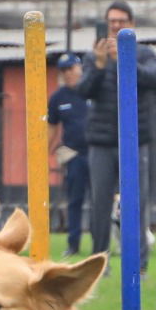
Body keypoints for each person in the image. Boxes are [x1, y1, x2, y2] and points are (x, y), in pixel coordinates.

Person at [79, 1, 156, 272]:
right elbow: (83, 91)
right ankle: (99, 266)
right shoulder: (93, 57)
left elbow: (154, 79)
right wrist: (101, 65)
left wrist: (123, 60)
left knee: (136, 205)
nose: (116, 26)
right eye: (111, 21)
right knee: (99, 206)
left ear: (132, 24)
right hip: (101, 142)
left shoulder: (144, 53)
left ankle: (138, 266)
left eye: (121, 21)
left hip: (135, 141)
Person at [46, 54, 90, 257]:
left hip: (99, 153)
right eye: (65, 70)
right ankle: (73, 245)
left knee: (104, 201)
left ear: (80, 68)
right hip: (74, 155)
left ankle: (104, 244)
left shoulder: (92, 89)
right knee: (74, 201)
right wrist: (44, 154)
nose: (70, 73)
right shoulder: (58, 98)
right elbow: (52, 129)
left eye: (73, 68)